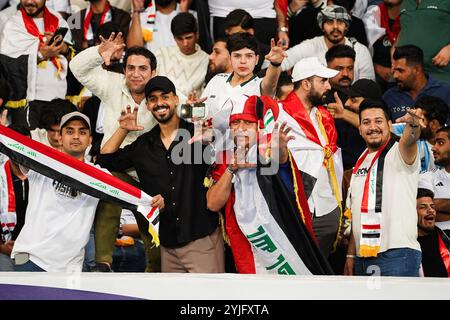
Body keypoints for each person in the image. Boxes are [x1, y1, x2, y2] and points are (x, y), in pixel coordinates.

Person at [97, 76, 225, 273]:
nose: (159, 103)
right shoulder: (143, 145)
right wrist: (123, 129)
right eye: (153, 99)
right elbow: (105, 160)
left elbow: (226, 147)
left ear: (175, 99)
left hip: (201, 240)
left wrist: (209, 134)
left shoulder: (197, 133)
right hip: (167, 246)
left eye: (164, 96)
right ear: (148, 105)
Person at [205, 95, 333, 275]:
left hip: (282, 240)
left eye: (247, 123)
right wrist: (230, 170)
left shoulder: (267, 150)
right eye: (236, 123)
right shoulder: (224, 159)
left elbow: (280, 168)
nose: (241, 129)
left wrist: (280, 149)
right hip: (247, 244)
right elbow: (212, 203)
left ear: (258, 126)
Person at [10, 112, 100, 271]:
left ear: (90, 140)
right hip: (31, 259)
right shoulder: (42, 160)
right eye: (70, 131)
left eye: (83, 132)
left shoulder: (100, 176)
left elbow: (128, 194)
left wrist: (152, 201)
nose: (76, 136)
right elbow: (16, 151)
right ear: (60, 137)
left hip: (70, 268)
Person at [344, 99, 424, 277]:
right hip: (362, 257)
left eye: (378, 121)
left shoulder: (400, 152)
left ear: (389, 125)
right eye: (366, 122)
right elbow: (358, 212)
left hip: (397, 255)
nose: (373, 127)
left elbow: (410, 139)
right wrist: (351, 254)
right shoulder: (360, 160)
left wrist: (413, 124)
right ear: (360, 129)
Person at [275, 56, 344, 258]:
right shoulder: (279, 114)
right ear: (305, 84)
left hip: (327, 209)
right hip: (294, 209)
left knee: (321, 275)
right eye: (322, 81)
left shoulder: (325, 117)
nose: (328, 86)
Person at [0, 0, 73, 129]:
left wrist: (63, 48)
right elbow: (7, 64)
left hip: (57, 97)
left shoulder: (58, 20)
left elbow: (72, 60)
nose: (30, 1)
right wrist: (41, 55)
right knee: (28, 146)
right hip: (26, 101)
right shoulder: (12, 23)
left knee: (54, 146)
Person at [202, 32, 285, 131]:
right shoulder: (217, 79)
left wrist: (275, 64)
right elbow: (201, 118)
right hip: (213, 145)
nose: (243, 61)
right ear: (230, 58)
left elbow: (270, 83)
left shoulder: (259, 86)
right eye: (237, 56)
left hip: (249, 146)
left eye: (249, 56)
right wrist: (193, 110)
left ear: (257, 59)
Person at [281, 5, 374, 82]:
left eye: (340, 22)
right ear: (322, 26)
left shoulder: (360, 51)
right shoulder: (311, 46)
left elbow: (368, 86)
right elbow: (281, 62)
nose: (335, 27)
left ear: (346, 26)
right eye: (330, 22)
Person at [383, 45, 450, 125]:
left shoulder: (445, 91)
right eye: (394, 70)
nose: (395, 76)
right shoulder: (389, 97)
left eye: (400, 70)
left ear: (417, 69)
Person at [154, 12, 208, 97]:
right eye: (180, 39)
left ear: (197, 35)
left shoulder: (207, 60)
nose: (185, 43)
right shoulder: (161, 54)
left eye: (189, 37)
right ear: (174, 37)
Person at [396, 0, 450, 83]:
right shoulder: (406, 2)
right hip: (406, 75)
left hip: (439, 74)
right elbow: (405, 28)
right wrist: (394, 50)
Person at [392, 96, 449, 172]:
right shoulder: (411, 126)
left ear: (433, 124)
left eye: (420, 119)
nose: (415, 122)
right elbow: (383, 130)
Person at [362, 0, 402, 91]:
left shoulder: (412, 17)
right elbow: (363, 50)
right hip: (375, 73)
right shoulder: (372, 15)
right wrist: (375, 67)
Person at [419, 126, 450, 231]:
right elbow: (421, 212)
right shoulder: (427, 178)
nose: (433, 147)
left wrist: (437, 204)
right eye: (435, 143)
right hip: (439, 244)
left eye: (440, 143)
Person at [416, 188, 450, 277]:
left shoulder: (446, 238)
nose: (430, 210)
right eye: (423, 207)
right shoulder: (406, 243)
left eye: (432, 206)